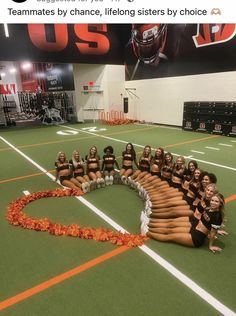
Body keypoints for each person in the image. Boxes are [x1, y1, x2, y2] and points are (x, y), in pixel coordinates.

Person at [146, 193, 225, 252]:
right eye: (212, 200)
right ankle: (148, 225)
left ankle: (147, 232)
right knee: (170, 230)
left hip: (197, 237)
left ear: (220, 204)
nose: (213, 203)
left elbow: (213, 232)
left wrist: (210, 246)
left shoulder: (218, 216)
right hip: (194, 227)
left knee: (170, 236)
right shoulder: (208, 208)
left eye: (216, 201)